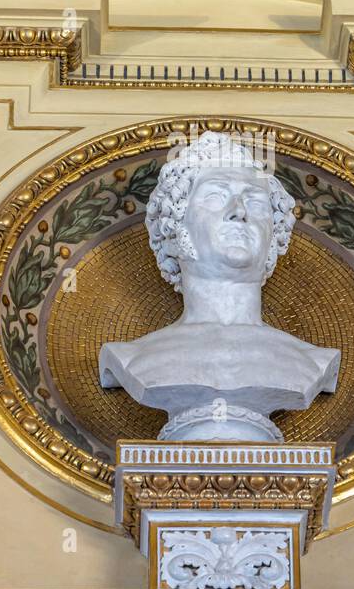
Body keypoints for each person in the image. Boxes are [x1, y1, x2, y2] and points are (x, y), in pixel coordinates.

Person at [98, 131, 340, 443]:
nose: (239, 211)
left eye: (254, 200)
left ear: (274, 236)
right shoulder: (131, 359)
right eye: (215, 196)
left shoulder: (312, 362)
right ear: (175, 230)